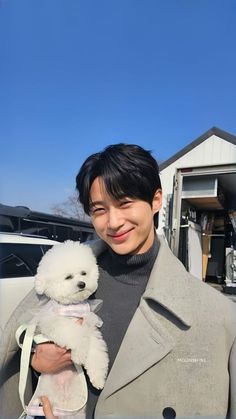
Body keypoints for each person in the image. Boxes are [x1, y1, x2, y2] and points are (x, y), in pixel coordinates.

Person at [0, 143, 236, 419]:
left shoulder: (217, 314)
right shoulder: (61, 282)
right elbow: (12, 355)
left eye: (125, 203)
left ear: (156, 200)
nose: (113, 222)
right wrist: (34, 361)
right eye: (99, 209)